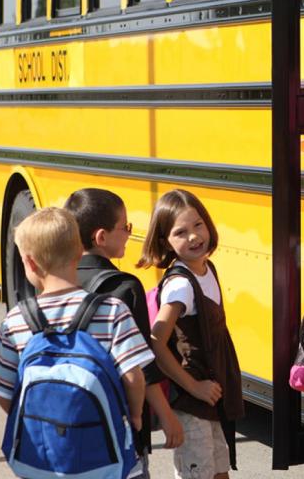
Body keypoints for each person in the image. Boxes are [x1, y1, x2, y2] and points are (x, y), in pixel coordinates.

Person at [0, 208, 152, 473]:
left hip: (43, 463)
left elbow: (3, 391)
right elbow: (133, 377)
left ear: (30, 263)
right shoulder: (112, 310)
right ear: (79, 252)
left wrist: (44, 421)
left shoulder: (16, 320)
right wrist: (136, 415)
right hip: (106, 464)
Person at [64, 188, 184, 478]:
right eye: (125, 227)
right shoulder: (125, 288)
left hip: (70, 420)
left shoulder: (58, 280)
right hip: (120, 427)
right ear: (101, 237)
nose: (129, 233)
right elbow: (140, 367)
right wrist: (165, 416)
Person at [138, 189, 243, 479]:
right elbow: (156, 342)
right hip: (191, 399)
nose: (194, 236)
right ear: (165, 242)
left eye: (198, 225)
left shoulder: (207, 269)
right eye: (180, 232)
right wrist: (194, 386)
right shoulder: (181, 286)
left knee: (219, 471)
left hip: (210, 397)